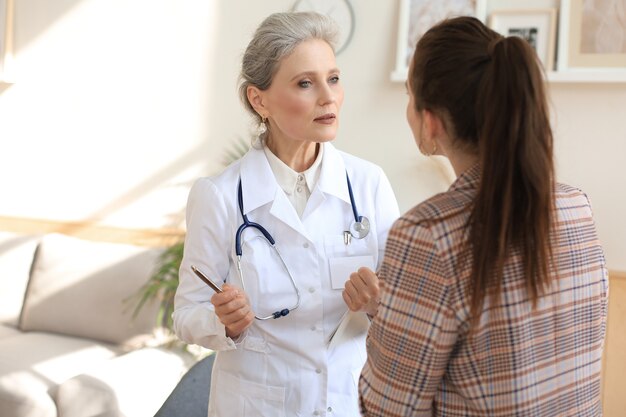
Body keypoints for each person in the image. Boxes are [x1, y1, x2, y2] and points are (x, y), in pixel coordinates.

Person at [359, 16, 608, 417]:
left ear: (431, 120)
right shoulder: (575, 207)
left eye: (409, 95)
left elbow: (388, 408)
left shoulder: (429, 234)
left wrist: (388, 318)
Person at [172, 11, 400, 416]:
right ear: (259, 100)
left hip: (348, 402)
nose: (328, 97)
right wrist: (224, 323)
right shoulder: (219, 196)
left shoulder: (369, 185)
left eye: (333, 78)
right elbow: (188, 314)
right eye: (305, 83)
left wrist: (379, 303)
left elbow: (405, 311)